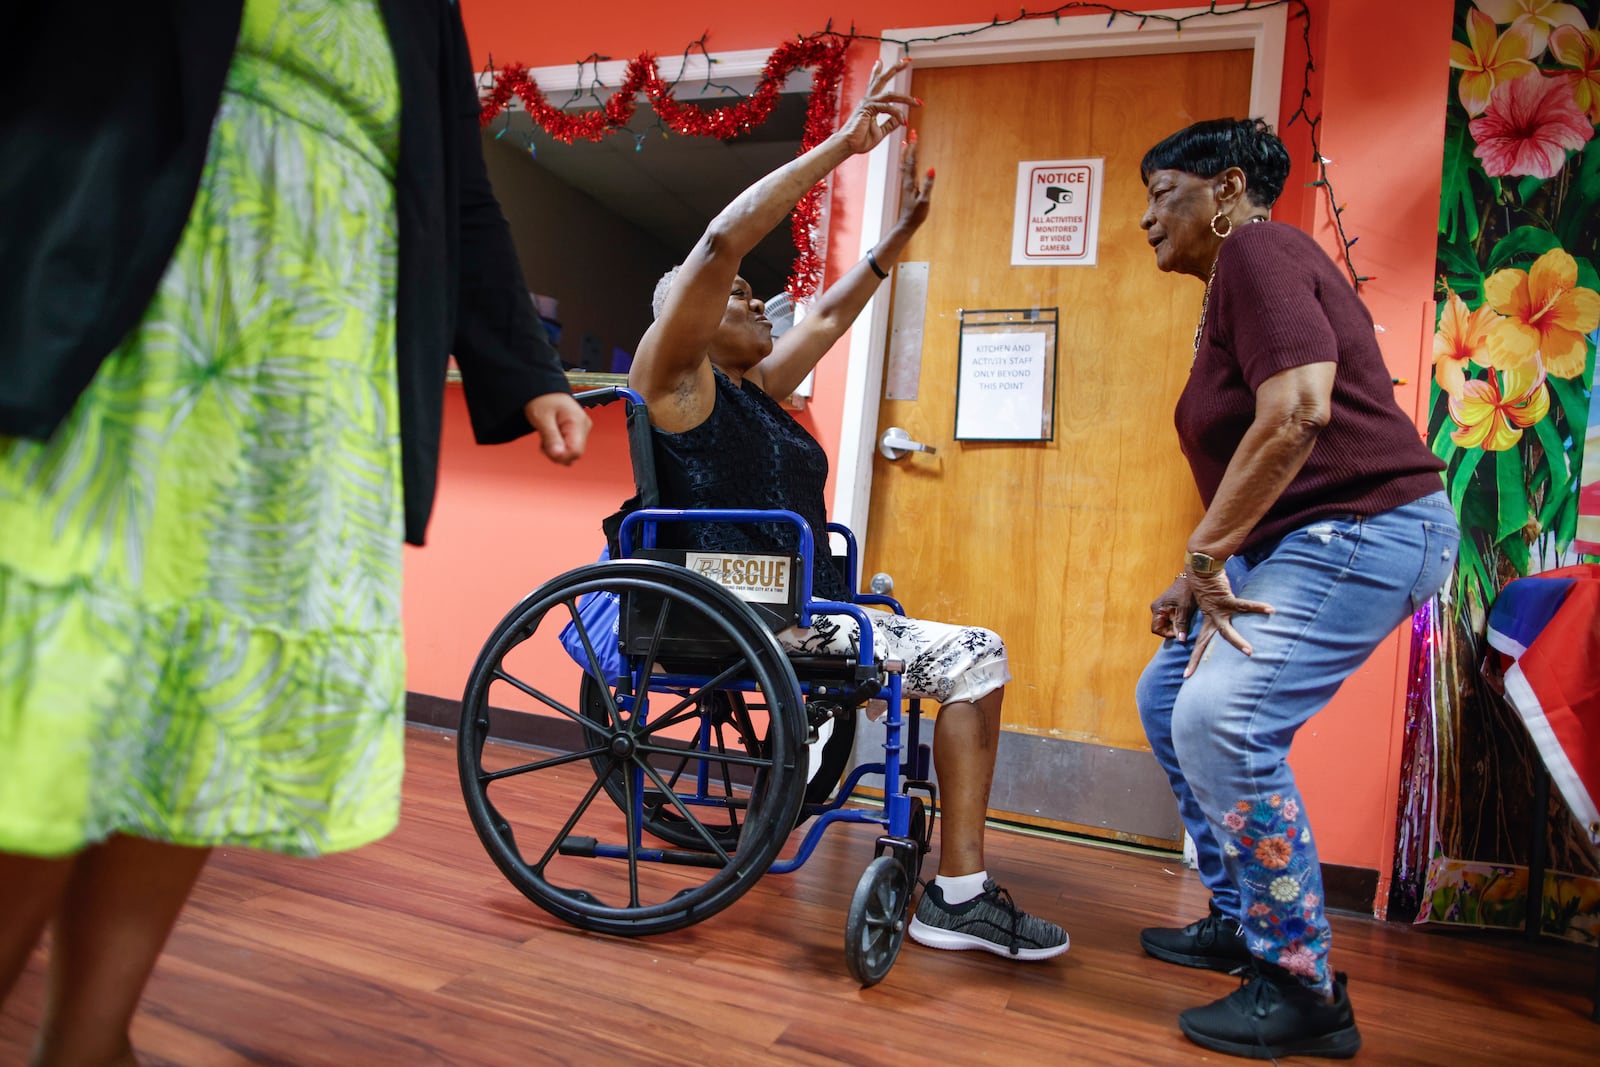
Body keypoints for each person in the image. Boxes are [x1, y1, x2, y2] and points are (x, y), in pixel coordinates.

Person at [0, 3, 590, 1063]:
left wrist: (526, 368)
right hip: (118, 296)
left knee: (202, 697)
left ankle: (89, 1039)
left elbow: (456, 188)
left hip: (318, 365)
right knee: (58, 667)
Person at [624, 57, 1068, 963]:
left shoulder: (750, 391)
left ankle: (925, 850)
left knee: (944, 645)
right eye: (742, 298)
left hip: (797, 606)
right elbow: (717, 248)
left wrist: (895, 240)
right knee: (978, 655)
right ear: (687, 317)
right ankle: (959, 897)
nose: (760, 301)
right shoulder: (677, 384)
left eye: (756, 296)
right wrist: (842, 144)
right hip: (752, 616)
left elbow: (825, 320)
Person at [1133, 117, 1459, 1059]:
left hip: (1370, 527)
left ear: (1227, 189)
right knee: (1167, 696)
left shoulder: (1262, 251)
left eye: (1164, 194)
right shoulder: (1234, 286)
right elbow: (1263, 456)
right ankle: (1242, 918)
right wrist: (1201, 569)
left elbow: (1302, 412)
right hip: (1315, 537)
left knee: (1220, 720)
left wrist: (1206, 560)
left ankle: (1302, 978)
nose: (1148, 220)